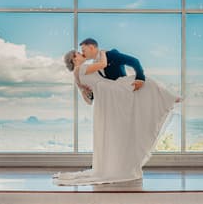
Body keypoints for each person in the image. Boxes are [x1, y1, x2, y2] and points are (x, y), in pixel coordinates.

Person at [54, 44, 179, 185]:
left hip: (104, 97)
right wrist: (101, 53)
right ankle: (169, 97)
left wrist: (95, 90)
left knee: (135, 90)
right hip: (109, 90)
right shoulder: (82, 68)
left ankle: (167, 98)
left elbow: (88, 101)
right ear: (74, 59)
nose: (82, 54)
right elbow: (103, 63)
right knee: (144, 83)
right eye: (79, 53)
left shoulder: (77, 75)